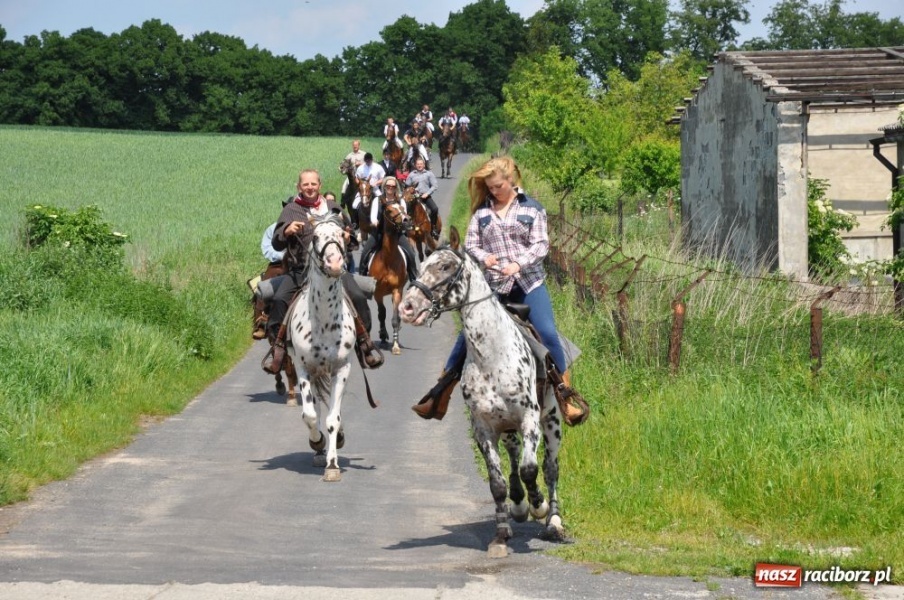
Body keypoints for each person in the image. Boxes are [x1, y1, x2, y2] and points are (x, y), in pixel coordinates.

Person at [411, 156, 587, 425]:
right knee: (466, 336)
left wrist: (518, 264)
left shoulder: (533, 209)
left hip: (529, 284)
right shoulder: (482, 213)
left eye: (498, 187)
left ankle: (566, 398)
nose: (493, 192)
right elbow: (471, 244)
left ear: (511, 181)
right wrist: (485, 258)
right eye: (490, 188)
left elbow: (541, 246)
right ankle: (440, 393)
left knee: (548, 332)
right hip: (495, 285)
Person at [262, 168, 383, 373]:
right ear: (299, 187)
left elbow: (351, 237)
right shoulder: (291, 210)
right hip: (300, 269)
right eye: (305, 184)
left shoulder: (333, 208)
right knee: (281, 299)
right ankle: (278, 349)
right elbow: (276, 243)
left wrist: (347, 237)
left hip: (333, 270)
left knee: (357, 296)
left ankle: (364, 344)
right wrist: (287, 230)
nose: (310, 188)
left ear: (320, 185)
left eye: (313, 184)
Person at [358, 176, 419, 284]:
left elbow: (404, 215)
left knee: (410, 253)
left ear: (396, 188)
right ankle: (362, 280)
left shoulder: (401, 200)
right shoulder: (378, 200)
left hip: (397, 234)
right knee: (365, 252)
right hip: (380, 232)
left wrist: (404, 220)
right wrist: (375, 221)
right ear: (384, 187)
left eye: (393, 186)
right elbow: (373, 215)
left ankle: (414, 279)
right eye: (388, 186)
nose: (390, 188)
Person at [251, 206, 288, 340]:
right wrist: (283, 256)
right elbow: (266, 248)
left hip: (299, 265)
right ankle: (261, 320)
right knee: (262, 288)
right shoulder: (273, 229)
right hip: (278, 264)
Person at [405, 157, 440, 240]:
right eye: (418, 164)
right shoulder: (411, 174)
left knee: (434, 209)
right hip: (414, 198)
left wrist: (427, 193)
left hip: (425, 197)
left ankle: (433, 228)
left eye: (421, 164)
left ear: (424, 165)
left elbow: (435, 185)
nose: (419, 166)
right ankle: (406, 229)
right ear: (415, 165)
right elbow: (407, 186)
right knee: (405, 211)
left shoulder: (429, 174)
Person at [353, 152, 386, 221]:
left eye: (369, 161)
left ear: (372, 159)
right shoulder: (360, 168)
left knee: (383, 203)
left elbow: (382, 179)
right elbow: (356, 178)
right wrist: (359, 183)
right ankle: (356, 222)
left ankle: (381, 221)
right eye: (366, 161)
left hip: (374, 188)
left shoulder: (378, 167)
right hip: (363, 189)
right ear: (364, 160)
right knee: (354, 205)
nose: (368, 162)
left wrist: (376, 183)